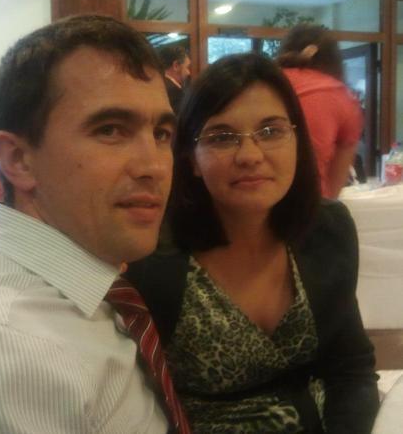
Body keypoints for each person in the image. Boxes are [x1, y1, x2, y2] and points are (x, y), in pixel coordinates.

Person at [126, 53, 379, 433]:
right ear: (191, 159)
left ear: (296, 139)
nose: (250, 155)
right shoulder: (154, 257)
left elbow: (351, 369)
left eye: (271, 131)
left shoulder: (327, 229)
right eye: (221, 137)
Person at [0, 15, 182, 433]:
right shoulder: (4, 346)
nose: (154, 166)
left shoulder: (94, 286)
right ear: (19, 160)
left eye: (161, 133)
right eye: (110, 130)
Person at [276, 24, 363, 198]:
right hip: (307, 202)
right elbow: (334, 185)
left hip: (251, 202)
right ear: (334, 61)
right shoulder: (341, 96)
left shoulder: (264, 82)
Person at [157, 45, 191, 114]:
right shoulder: (175, 93)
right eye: (187, 67)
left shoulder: (155, 85)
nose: (188, 73)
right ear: (176, 66)